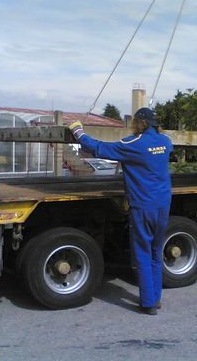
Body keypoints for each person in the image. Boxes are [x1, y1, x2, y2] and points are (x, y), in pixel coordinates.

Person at [69, 107, 173, 315]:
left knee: (142, 253)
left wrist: (78, 132)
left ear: (140, 123)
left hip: (143, 205)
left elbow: (98, 148)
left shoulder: (133, 145)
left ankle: (148, 303)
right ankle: (156, 298)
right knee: (155, 251)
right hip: (163, 203)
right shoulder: (166, 142)